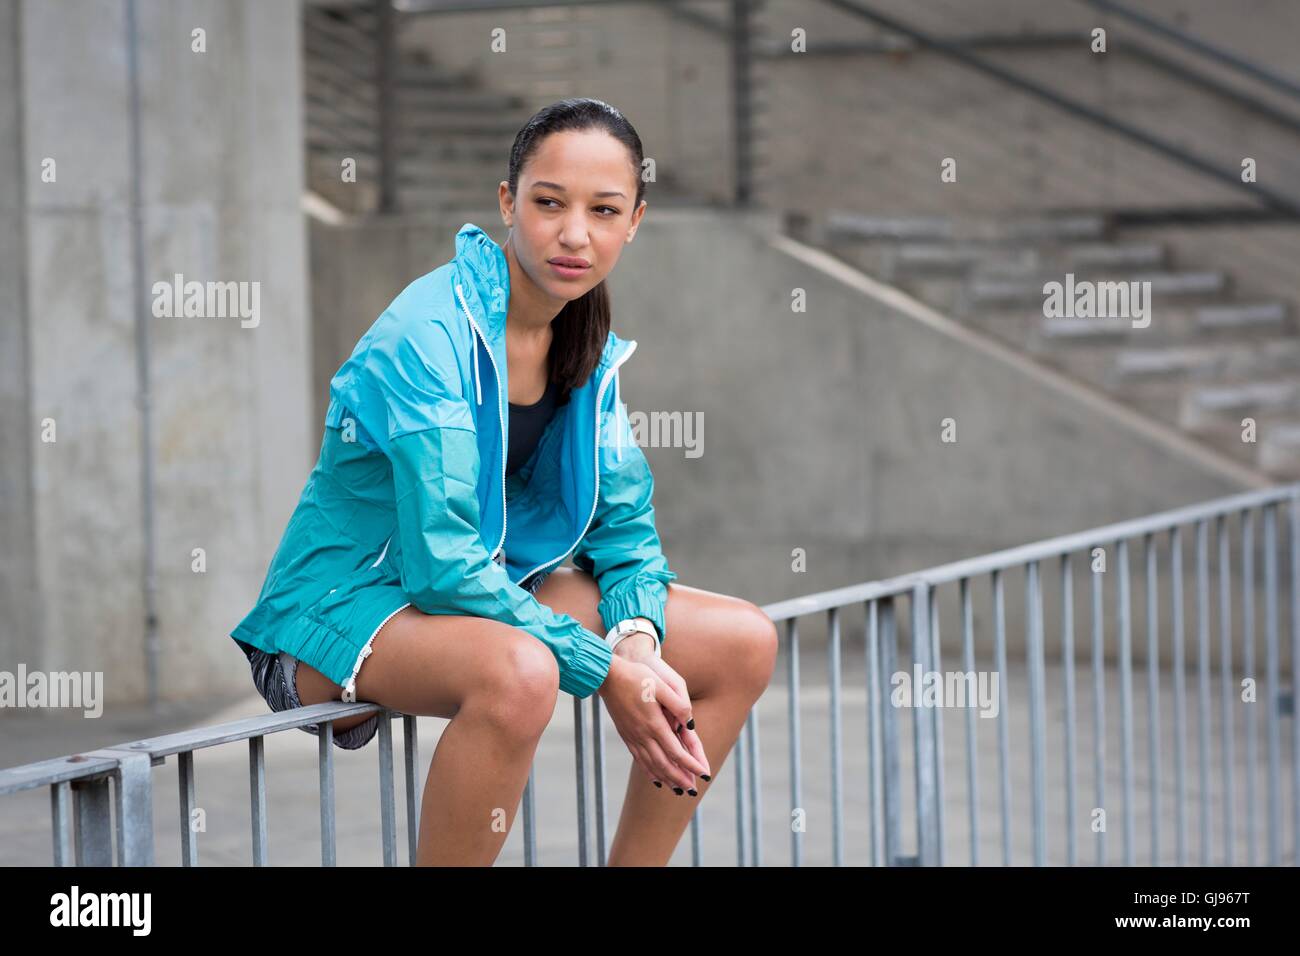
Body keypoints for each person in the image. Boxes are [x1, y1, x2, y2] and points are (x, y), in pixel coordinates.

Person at [230, 97, 777, 866]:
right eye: (548, 203)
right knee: (524, 672)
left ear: (635, 221)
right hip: (335, 616)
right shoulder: (426, 336)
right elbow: (442, 562)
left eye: (603, 209)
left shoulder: (584, 349)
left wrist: (637, 643)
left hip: (481, 594)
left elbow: (625, 533)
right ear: (507, 203)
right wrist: (601, 671)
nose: (574, 233)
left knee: (741, 642)